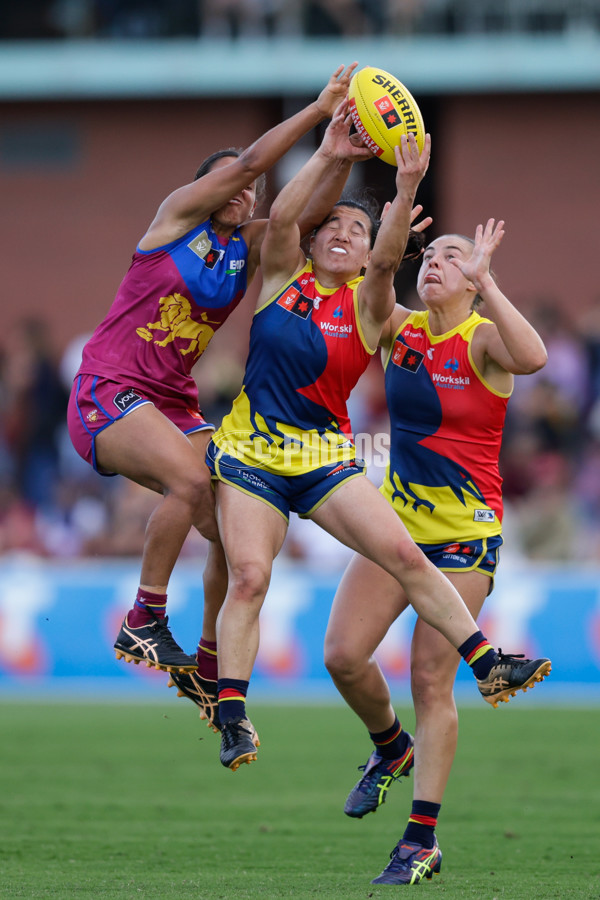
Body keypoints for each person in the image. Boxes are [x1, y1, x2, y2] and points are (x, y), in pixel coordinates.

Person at [205, 104, 551, 774]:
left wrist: (408, 186)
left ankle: (488, 662)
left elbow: (397, 254)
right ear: (310, 241)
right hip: (250, 457)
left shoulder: (372, 308)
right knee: (250, 576)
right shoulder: (281, 276)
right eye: (330, 224)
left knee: (403, 553)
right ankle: (233, 715)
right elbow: (283, 219)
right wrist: (332, 151)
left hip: (323, 460)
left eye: (356, 229)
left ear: (370, 255)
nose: (342, 233)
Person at [66, 65, 360, 707]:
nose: (248, 193)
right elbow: (255, 159)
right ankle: (143, 618)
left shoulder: (242, 246)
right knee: (193, 481)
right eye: (236, 183)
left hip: (170, 400)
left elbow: (304, 220)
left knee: (230, 518)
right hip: (107, 387)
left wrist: (337, 153)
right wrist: (317, 111)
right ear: (206, 187)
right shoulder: (175, 220)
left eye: (252, 192)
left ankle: (205, 658)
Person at [323, 219, 550, 885]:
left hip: (463, 536)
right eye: (430, 256)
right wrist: (393, 217)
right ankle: (391, 747)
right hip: (395, 528)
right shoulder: (402, 329)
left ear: (474, 280)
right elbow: (367, 285)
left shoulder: (484, 338)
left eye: (452, 257)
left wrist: (489, 282)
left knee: (430, 678)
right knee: (341, 655)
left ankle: (421, 839)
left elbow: (532, 358)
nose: (434, 264)